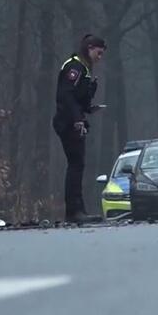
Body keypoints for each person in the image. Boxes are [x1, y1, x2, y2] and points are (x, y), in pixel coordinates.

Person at [53, 34, 106, 223]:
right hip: (67, 122)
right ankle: (73, 211)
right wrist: (77, 118)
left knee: (78, 165)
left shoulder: (84, 68)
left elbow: (77, 98)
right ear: (90, 48)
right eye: (98, 53)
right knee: (75, 165)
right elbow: (65, 95)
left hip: (74, 120)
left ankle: (79, 209)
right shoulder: (75, 66)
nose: (100, 58)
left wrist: (89, 104)